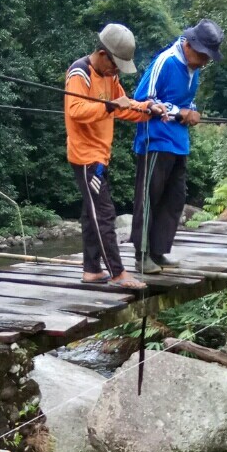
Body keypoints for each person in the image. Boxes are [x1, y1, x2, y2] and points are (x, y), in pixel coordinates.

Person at [64, 24, 166, 289]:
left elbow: (124, 106)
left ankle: (92, 270)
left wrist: (149, 109)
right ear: (102, 53)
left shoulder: (110, 78)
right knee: (105, 214)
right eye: (115, 64)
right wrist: (108, 106)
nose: (116, 71)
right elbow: (76, 110)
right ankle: (117, 272)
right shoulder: (80, 73)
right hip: (86, 157)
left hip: (100, 154)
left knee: (92, 214)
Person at [131, 19, 224, 274]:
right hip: (156, 140)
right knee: (149, 196)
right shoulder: (165, 62)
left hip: (179, 143)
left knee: (175, 198)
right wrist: (178, 112)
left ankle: (159, 250)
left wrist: (191, 113)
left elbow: (185, 102)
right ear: (190, 45)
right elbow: (142, 100)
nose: (205, 62)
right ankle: (141, 255)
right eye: (204, 55)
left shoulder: (195, 70)